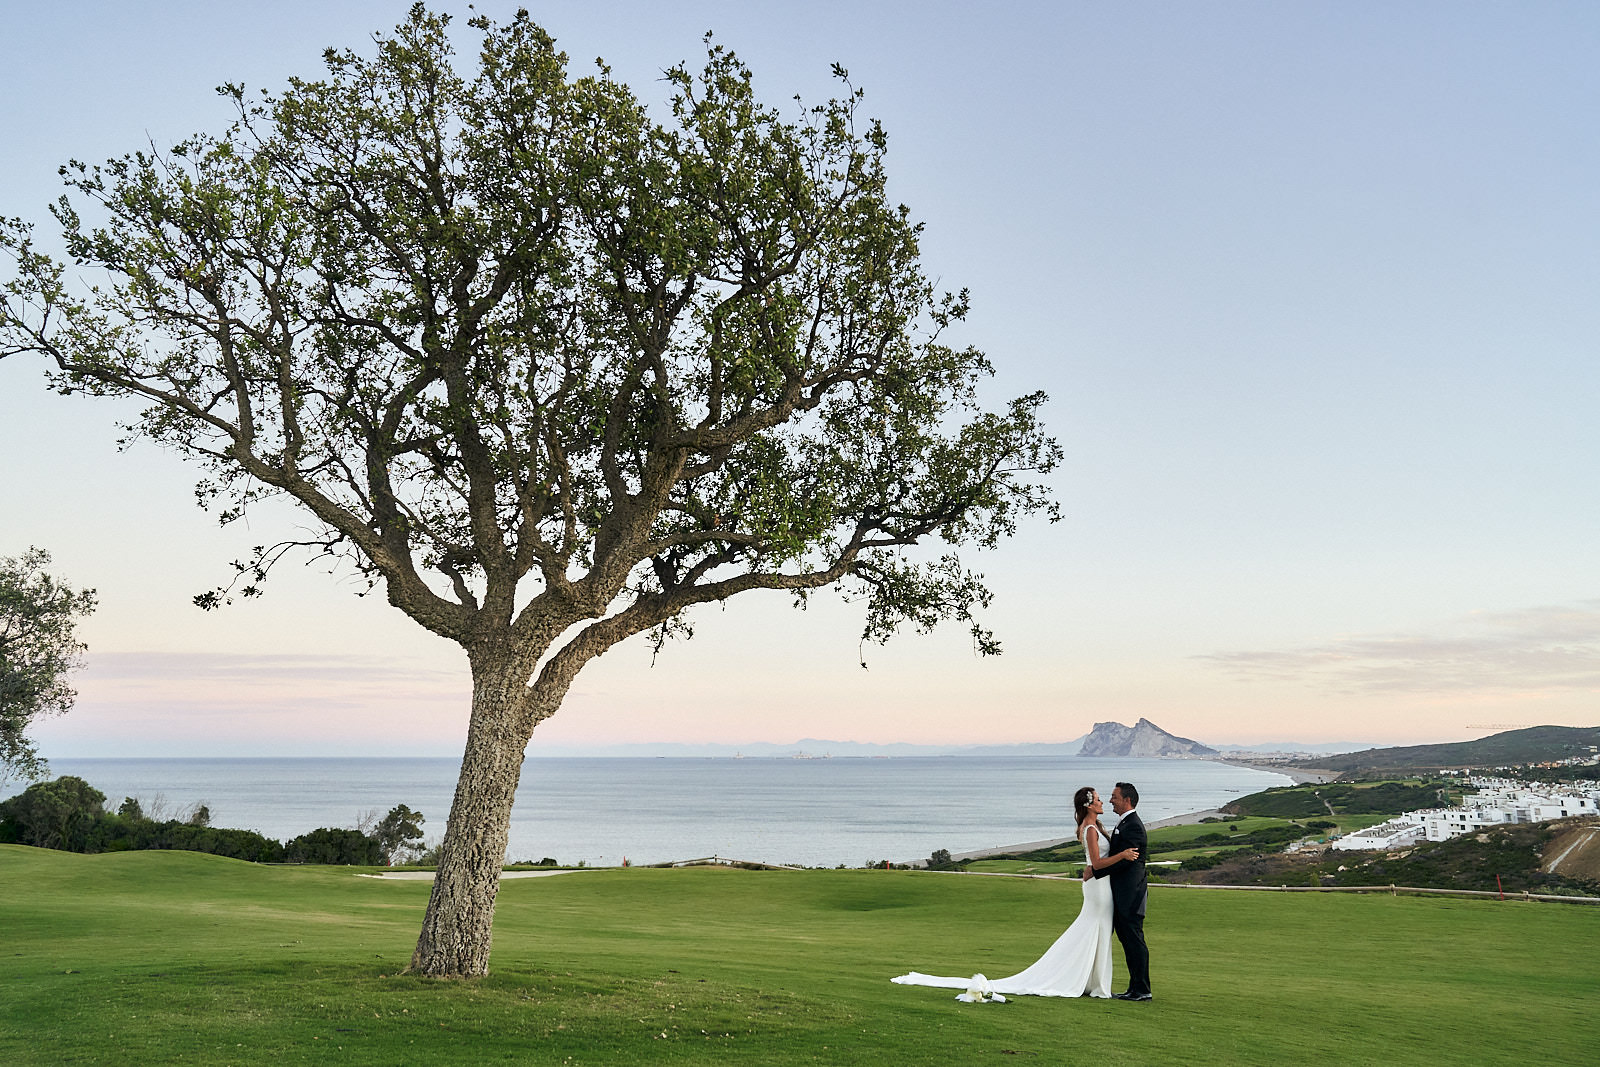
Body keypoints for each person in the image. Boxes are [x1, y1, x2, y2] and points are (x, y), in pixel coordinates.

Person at [890, 785, 1138, 999]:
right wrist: (1123, 855)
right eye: (1097, 799)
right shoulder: (1091, 829)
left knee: (1098, 931)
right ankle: (1095, 985)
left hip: (1100, 886)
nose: (1103, 801)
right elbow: (1096, 864)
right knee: (1097, 929)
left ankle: (1094, 983)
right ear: (1089, 805)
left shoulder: (1093, 826)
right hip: (1098, 888)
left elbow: (1094, 864)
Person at [1094, 781, 1151, 1001]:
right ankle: (1134, 987)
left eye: (1114, 797)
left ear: (1127, 800)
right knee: (1128, 940)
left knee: (1134, 940)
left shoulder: (1133, 825)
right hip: (1124, 894)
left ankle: (1142, 989)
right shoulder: (1124, 824)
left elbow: (1128, 861)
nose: (1110, 800)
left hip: (1131, 895)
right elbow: (1119, 852)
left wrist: (1095, 870)